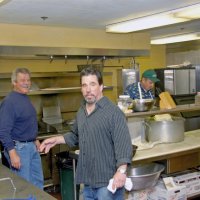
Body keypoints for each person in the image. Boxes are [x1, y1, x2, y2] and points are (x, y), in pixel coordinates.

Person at [40, 67, 133, 200]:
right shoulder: (81, 111)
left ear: (101, 87)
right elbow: (76, 136)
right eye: (84, 85)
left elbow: (123, 145)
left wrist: (121, 171)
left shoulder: (113, 113)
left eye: (92, 84)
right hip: (87, 183)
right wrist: (56, 139)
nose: (88, 89)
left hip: (107, 184)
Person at [0, 68, 44, 190]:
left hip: (31, 146)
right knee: (24, 187)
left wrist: (35, 139)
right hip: (19, 149)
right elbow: (3, 131)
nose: (27, 83)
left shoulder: (24, 97)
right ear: (14, 82)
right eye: (22, 80)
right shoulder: (9, 102)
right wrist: (12, 152)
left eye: (28, 80)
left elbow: (26, 123)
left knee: (38, 184)